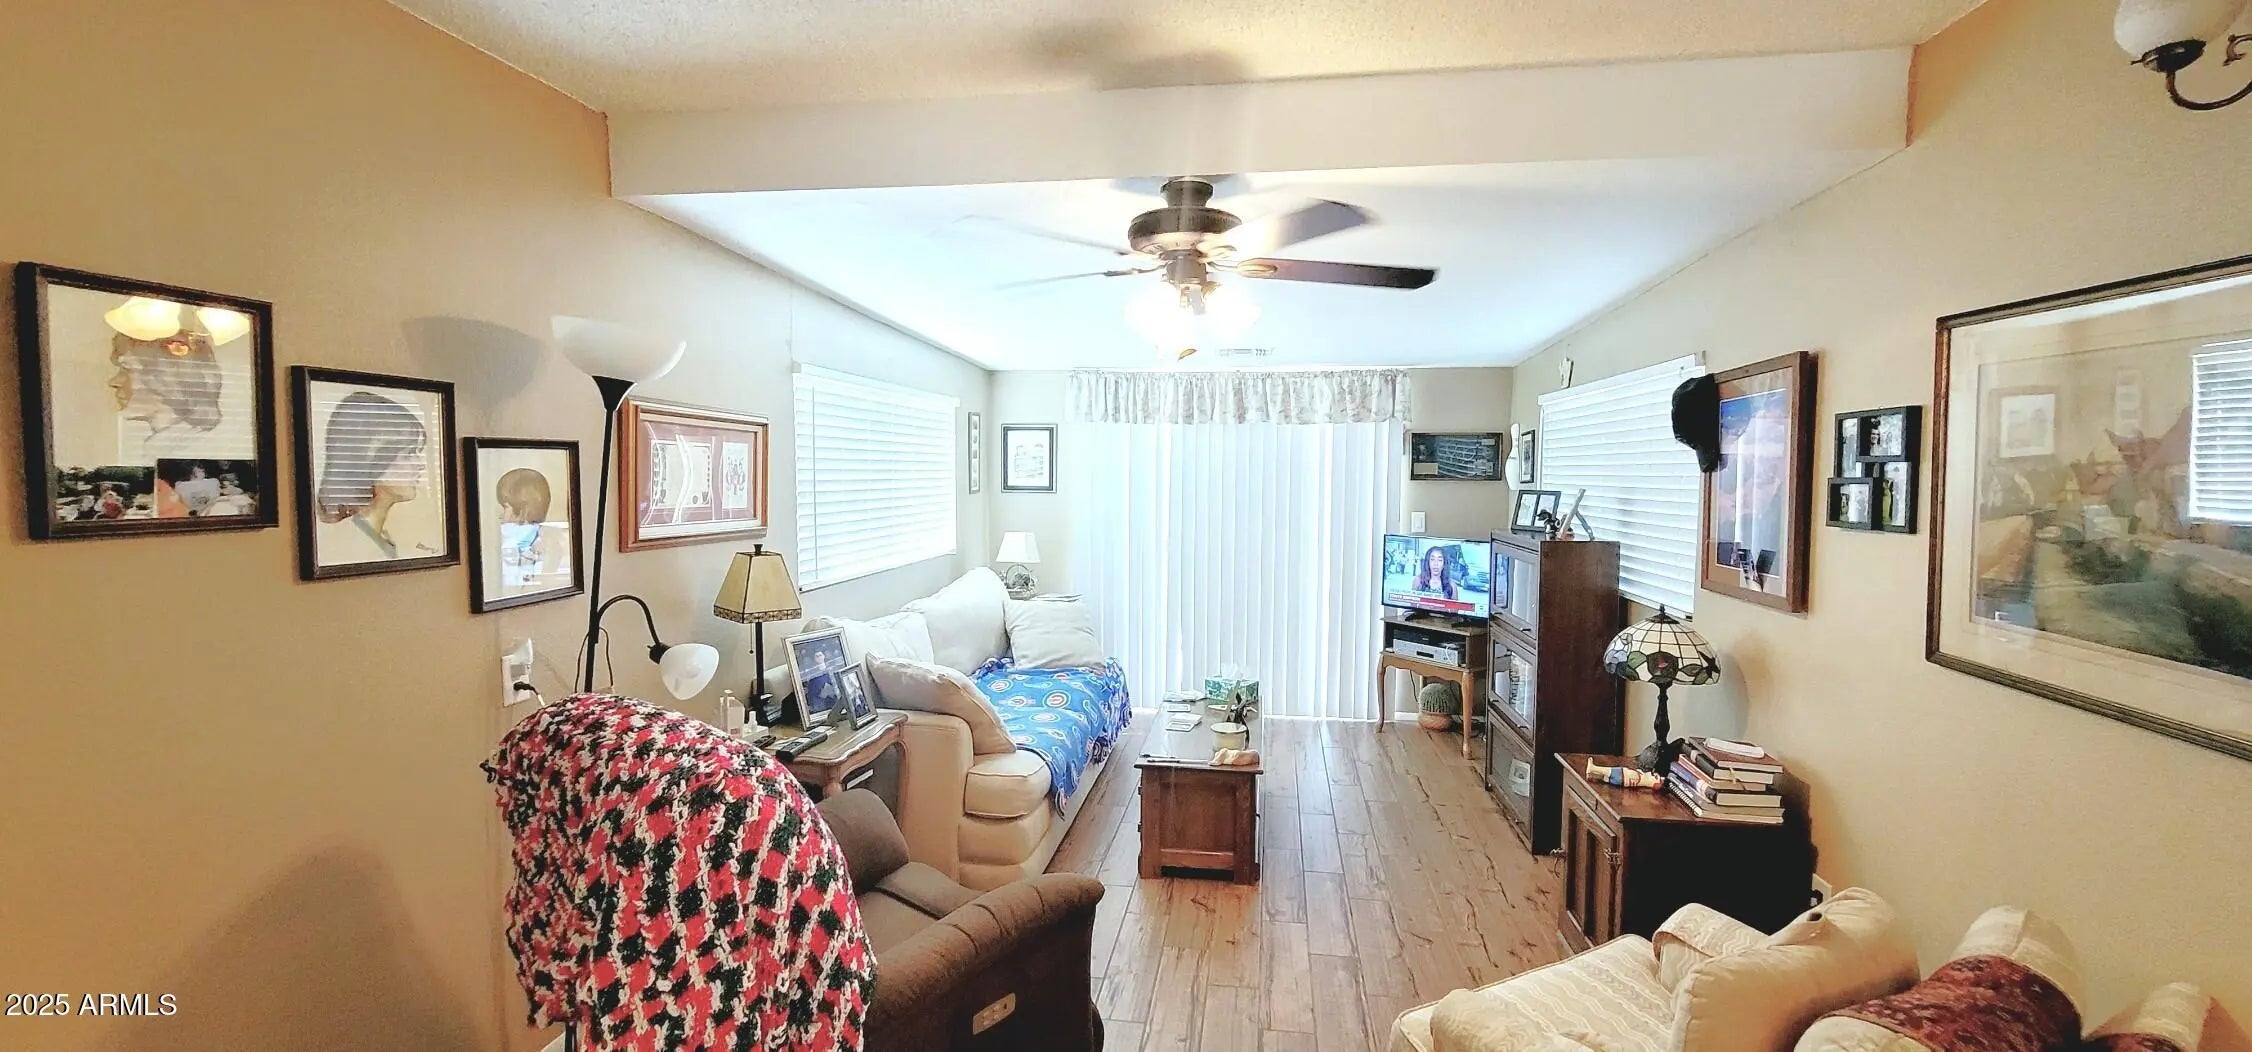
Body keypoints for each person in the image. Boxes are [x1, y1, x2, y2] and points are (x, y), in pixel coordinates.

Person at [314, 391, 428, 557]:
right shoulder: (349, 547)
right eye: (408, 454)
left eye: (417, 453)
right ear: (370, 459)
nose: (420, 464)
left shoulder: (384, 537)